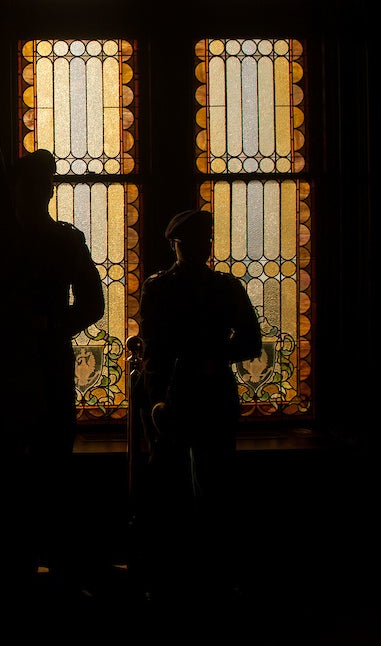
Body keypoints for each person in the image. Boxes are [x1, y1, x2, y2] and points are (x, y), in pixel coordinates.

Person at [135, 208, 262, 602]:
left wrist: (201, 358)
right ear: (176, 245)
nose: (199, 248)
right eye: (191, 242)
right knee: (183, 487)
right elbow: (156, 350)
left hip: (189, 392)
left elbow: (250, 342)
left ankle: (192, 576)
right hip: (194, 393)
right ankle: (193, 576)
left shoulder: (163, 288)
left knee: (208, 488)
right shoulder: (223, 288)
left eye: (202, 241)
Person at [9, 149, 105, 579]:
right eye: (35, 182)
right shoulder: (5, 243)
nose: (41, 190)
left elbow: (92, 304)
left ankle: (41, 556)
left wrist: (47, 326)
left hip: (40, 363)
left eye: (45, 183)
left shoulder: (64, 241)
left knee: (49, 461)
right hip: (16, 365)